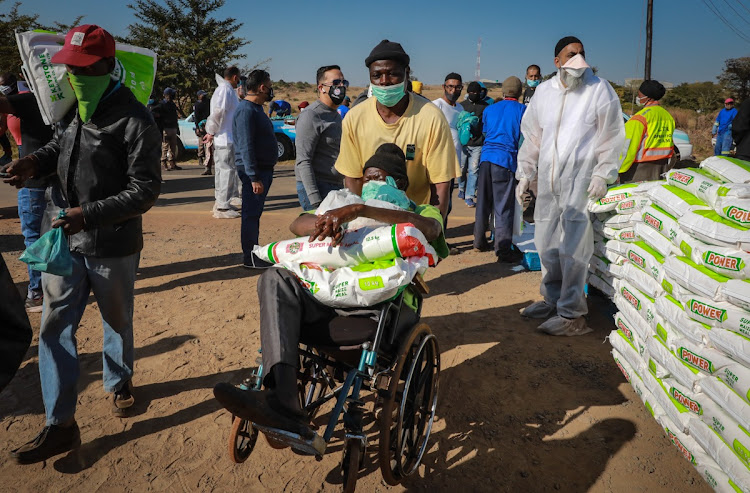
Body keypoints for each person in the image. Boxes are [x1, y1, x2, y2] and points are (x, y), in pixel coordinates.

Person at [3, 24, 161, 463]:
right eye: (68, 69)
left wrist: (87, 214)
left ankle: (119, 379)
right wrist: (34, 161)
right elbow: (60, 146)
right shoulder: (75, 110)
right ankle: (60, 425)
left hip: (113, 244)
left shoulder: (135, 119)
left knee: (117, 321)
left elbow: (146, 190)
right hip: (64, 242)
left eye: (82, 69)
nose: (73, 77)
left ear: (107, 66)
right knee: (54, 328)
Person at [213, 143, 449, 437]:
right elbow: (297, 223)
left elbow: (432, 230)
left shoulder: (419, 210)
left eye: (378, 177)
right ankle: (283, 399)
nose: (369, 183)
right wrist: (330, 222)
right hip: (323, 303)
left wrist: (363, 210)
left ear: (399, 183)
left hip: (380, 318)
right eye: (366, 178)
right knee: (275, 278)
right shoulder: (341, 204)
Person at [515, 36, 624, 336]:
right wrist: (525, 171)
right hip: (549, 181)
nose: (578, 59)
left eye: (581, 53)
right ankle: (552, 299)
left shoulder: (598, 89)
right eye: (570, 54)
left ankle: (572, 313)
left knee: (574, 248)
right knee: (547, 243)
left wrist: (603, 173)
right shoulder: (545, 93)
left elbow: (611, 135)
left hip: (580, 180)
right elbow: (533, 135)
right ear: (557, 61)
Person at [334, 39, 458, 218]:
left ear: (407, 73)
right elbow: (352, 178)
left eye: (392, 74)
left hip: (415, 221)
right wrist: (357, 221)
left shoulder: (431, 117)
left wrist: (432, 227)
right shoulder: (355, 118)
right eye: (377, 75)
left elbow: (441, 183)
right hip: (368, 222)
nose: (384, 82)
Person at [0, 72, 54, 312]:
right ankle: (51, 287)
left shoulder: (31, 99)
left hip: (32, 184)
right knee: (54, 236)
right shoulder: (62, 103)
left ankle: (37, 293)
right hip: (56, 180)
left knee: (34, 238)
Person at [473, 76, 526, 262]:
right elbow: (523, 138)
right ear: (519, 92)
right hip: (505, 160)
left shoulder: (490, 109)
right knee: (503, 205)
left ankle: (479, 241)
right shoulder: (522, 110)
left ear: (503, 91)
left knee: (483, 202)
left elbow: (486, 132)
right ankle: (502, 249)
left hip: (486, 158)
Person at [233, 70, 278, 269]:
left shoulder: (256, 108)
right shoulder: (246, 110)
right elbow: (246, 145)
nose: (270, 91)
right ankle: (250, 257)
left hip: (262, 170)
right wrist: (253, 176)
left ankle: (253, 253)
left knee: (255, 214)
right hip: (255, 172)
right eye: (269, 86)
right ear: (262, 88)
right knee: (250, 214)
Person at [295, 65, 346, 211]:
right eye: (336, 83)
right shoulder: (311, 115)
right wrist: (316, 201)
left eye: (344, 83)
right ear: (321, 87)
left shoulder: (335, 115)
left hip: (334, 186)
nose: (341, 87)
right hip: (318, 187)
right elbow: (303, 160)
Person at [619, 80, 675, 183]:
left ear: (648, 97)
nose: (638, 97)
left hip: (639, 170)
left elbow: (628, 149)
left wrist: (619, 170)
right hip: (662, 167)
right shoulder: (667, 116)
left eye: (640, 95)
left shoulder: (640, 118)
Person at [204, 66, 242, 219]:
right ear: (234, 77)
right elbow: (218, 112)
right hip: (225, 138)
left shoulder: (226, 90)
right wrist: (211, 131)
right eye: (238, 78)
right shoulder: (225, 90)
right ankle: (222, 207)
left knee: (223, 171)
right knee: (226, 171)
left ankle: (222, 202)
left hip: (225, 137)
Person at [458, 81, 489, 207]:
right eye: (471, 92)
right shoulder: (461, 106)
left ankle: (469, 195)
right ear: (468, 92)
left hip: (478, 144)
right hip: (463, 144)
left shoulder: (485, 107)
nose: (473, 94)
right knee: (461, 169)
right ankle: (461, 188)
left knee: (473, 170)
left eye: (476, 92)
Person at [432, 73, 465, 171]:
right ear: (444, 87)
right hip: (438, 160)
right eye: (450, 87)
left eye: (457, 87)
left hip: (453, 161)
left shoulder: (460, 108)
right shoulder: (436, 105)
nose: (453, 91)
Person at [159, 87, 183, 171]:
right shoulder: (162, 104)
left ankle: (172, 163)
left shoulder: (172, 104)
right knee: (165, 146)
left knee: (173, 146)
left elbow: (175, 117)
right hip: (166, 127)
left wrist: (177, 127)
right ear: (167, 95)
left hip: (173, 127)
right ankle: (164, 162)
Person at [193, 89, 212, 175]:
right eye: (202, 95)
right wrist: (198, 127)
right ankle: (201, 159)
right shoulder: (197, 105)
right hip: (202, 127)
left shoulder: (209, 102)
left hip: (210, 126)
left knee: (209, 147)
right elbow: (196, 117)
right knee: (203, 145)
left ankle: (208, 166)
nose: (204, 96)